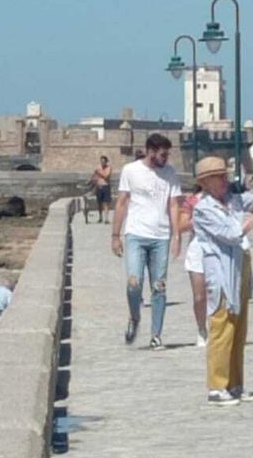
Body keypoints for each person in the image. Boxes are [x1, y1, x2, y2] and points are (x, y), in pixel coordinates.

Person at [190, 155, 253, 406]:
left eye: (225, 175)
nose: (225, 180)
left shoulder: (232, 201)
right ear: (206, 182)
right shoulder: (203, 209)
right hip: (220, 272)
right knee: (222, 326)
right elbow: (231, 233)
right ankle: (216, 386)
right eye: (219, 177)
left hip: (240, 268)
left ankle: (235, 383)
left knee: (239, 328)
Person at [112, 133, 184, 350]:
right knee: (133, 283)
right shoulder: (131, 171)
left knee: (159, 287)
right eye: (163, 154)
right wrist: (115, 235)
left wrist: (177, 235)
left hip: (161, 237)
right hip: (135, 234)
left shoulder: (170, 174)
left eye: (168, 154)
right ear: (151, 151)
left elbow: (174, 205)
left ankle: (156, 335)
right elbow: (122, 203)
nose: (166, 158)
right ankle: (134, 317)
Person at [181, 188, 209, 347]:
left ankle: (218, 330)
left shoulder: (224, 198)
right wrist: (198, 219)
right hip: (198, 249)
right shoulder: (193, 200)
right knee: (199, 296)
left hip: (219, 248)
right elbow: (181, 224)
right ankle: (201, 328)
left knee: (218, 294)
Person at [88, 155, 113, 224]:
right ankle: (100, 217)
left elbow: (106, 176)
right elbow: (94, 176)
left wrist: (98, 172)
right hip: (99, 187)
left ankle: (106, 218)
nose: (102, 163)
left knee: (106, 203)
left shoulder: (108, 168)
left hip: (105, 186)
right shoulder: (98, 167)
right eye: (101, 161)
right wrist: (91, 181)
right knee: (99, 203)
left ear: (106, 162)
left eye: (103, 161)